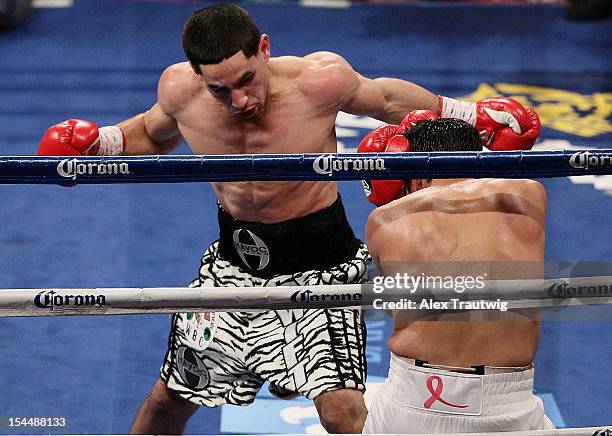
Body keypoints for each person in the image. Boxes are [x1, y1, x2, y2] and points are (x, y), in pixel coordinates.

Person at [36, 4, 541, 434]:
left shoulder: (318, 81)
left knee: (345, 416)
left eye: (246, 80)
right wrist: (97, 143)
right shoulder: (180, 91)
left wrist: (471, 116)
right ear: (196, 75)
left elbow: (386, 99)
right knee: (166, 402)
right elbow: (153, 132)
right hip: (233, 269)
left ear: (264, 48)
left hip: (322, 270)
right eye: (220, 90)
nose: (240, 101)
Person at [359, 114, 553, 433]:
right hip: (506, 405)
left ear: (415, 173)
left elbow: (401, 307)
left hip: (410, 400)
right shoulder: (527, 197)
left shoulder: (385, 219)